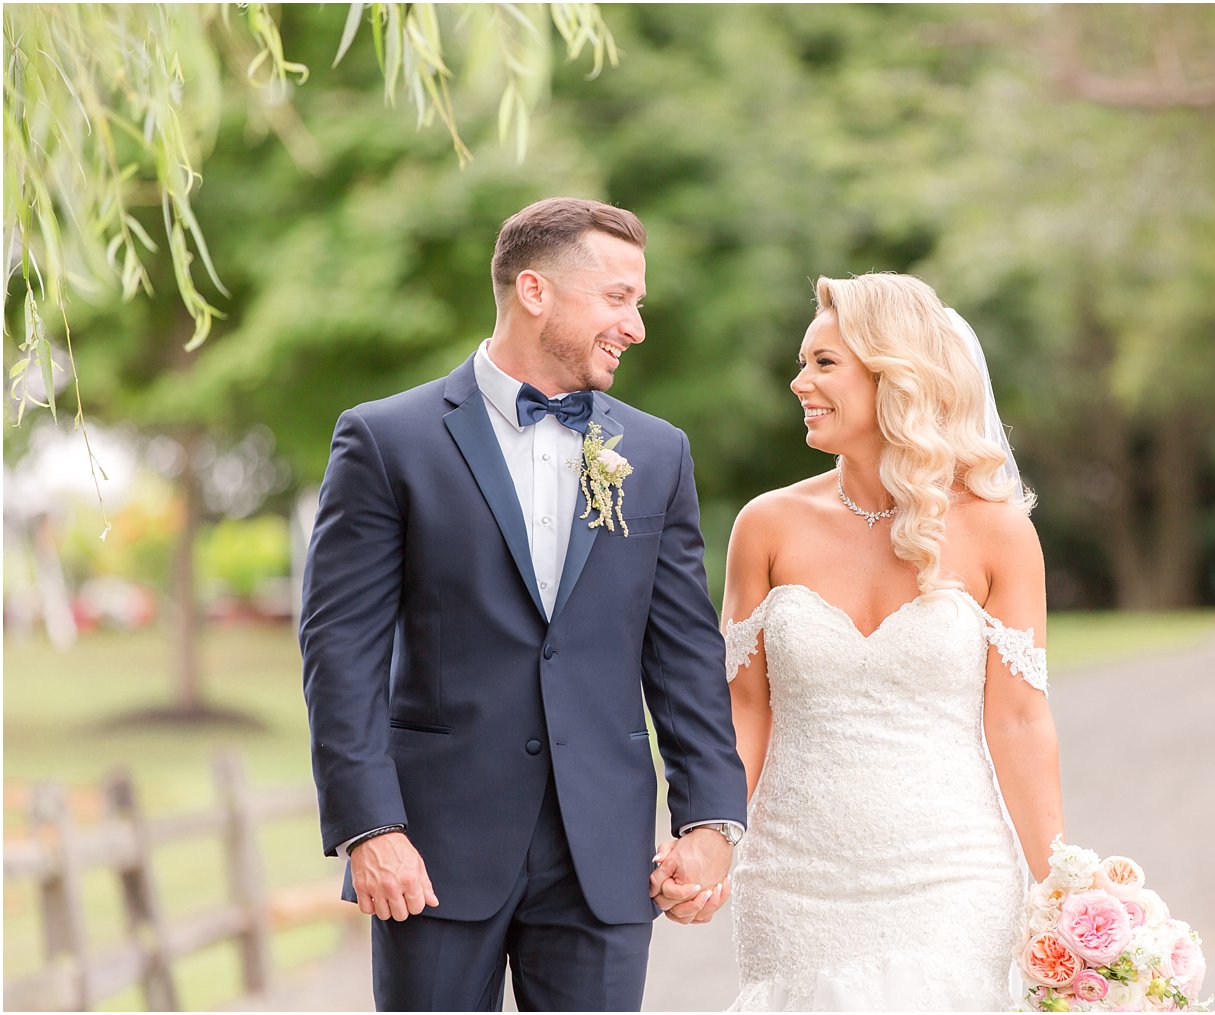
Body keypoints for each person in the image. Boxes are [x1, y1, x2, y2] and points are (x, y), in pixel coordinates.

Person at [299, 197, 749, 1012]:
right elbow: (341, 653)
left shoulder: (655, 452)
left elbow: (683, 653)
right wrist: (370, 827)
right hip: (429, 853)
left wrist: (711, 819)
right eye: (618, 299)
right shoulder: (386, 440)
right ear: (535, 291)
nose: (636, 326)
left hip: (602, 854)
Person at [721, 272, 1064, 1010]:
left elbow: (1018, 720)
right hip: (793, 878)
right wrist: (713, 836)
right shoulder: (765, 526)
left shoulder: (1000, 532)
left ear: (894, 373)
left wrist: (1061, 884)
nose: (797, 381)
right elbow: (746, 710)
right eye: (802, 361)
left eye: (823, 362)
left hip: (951, 871)